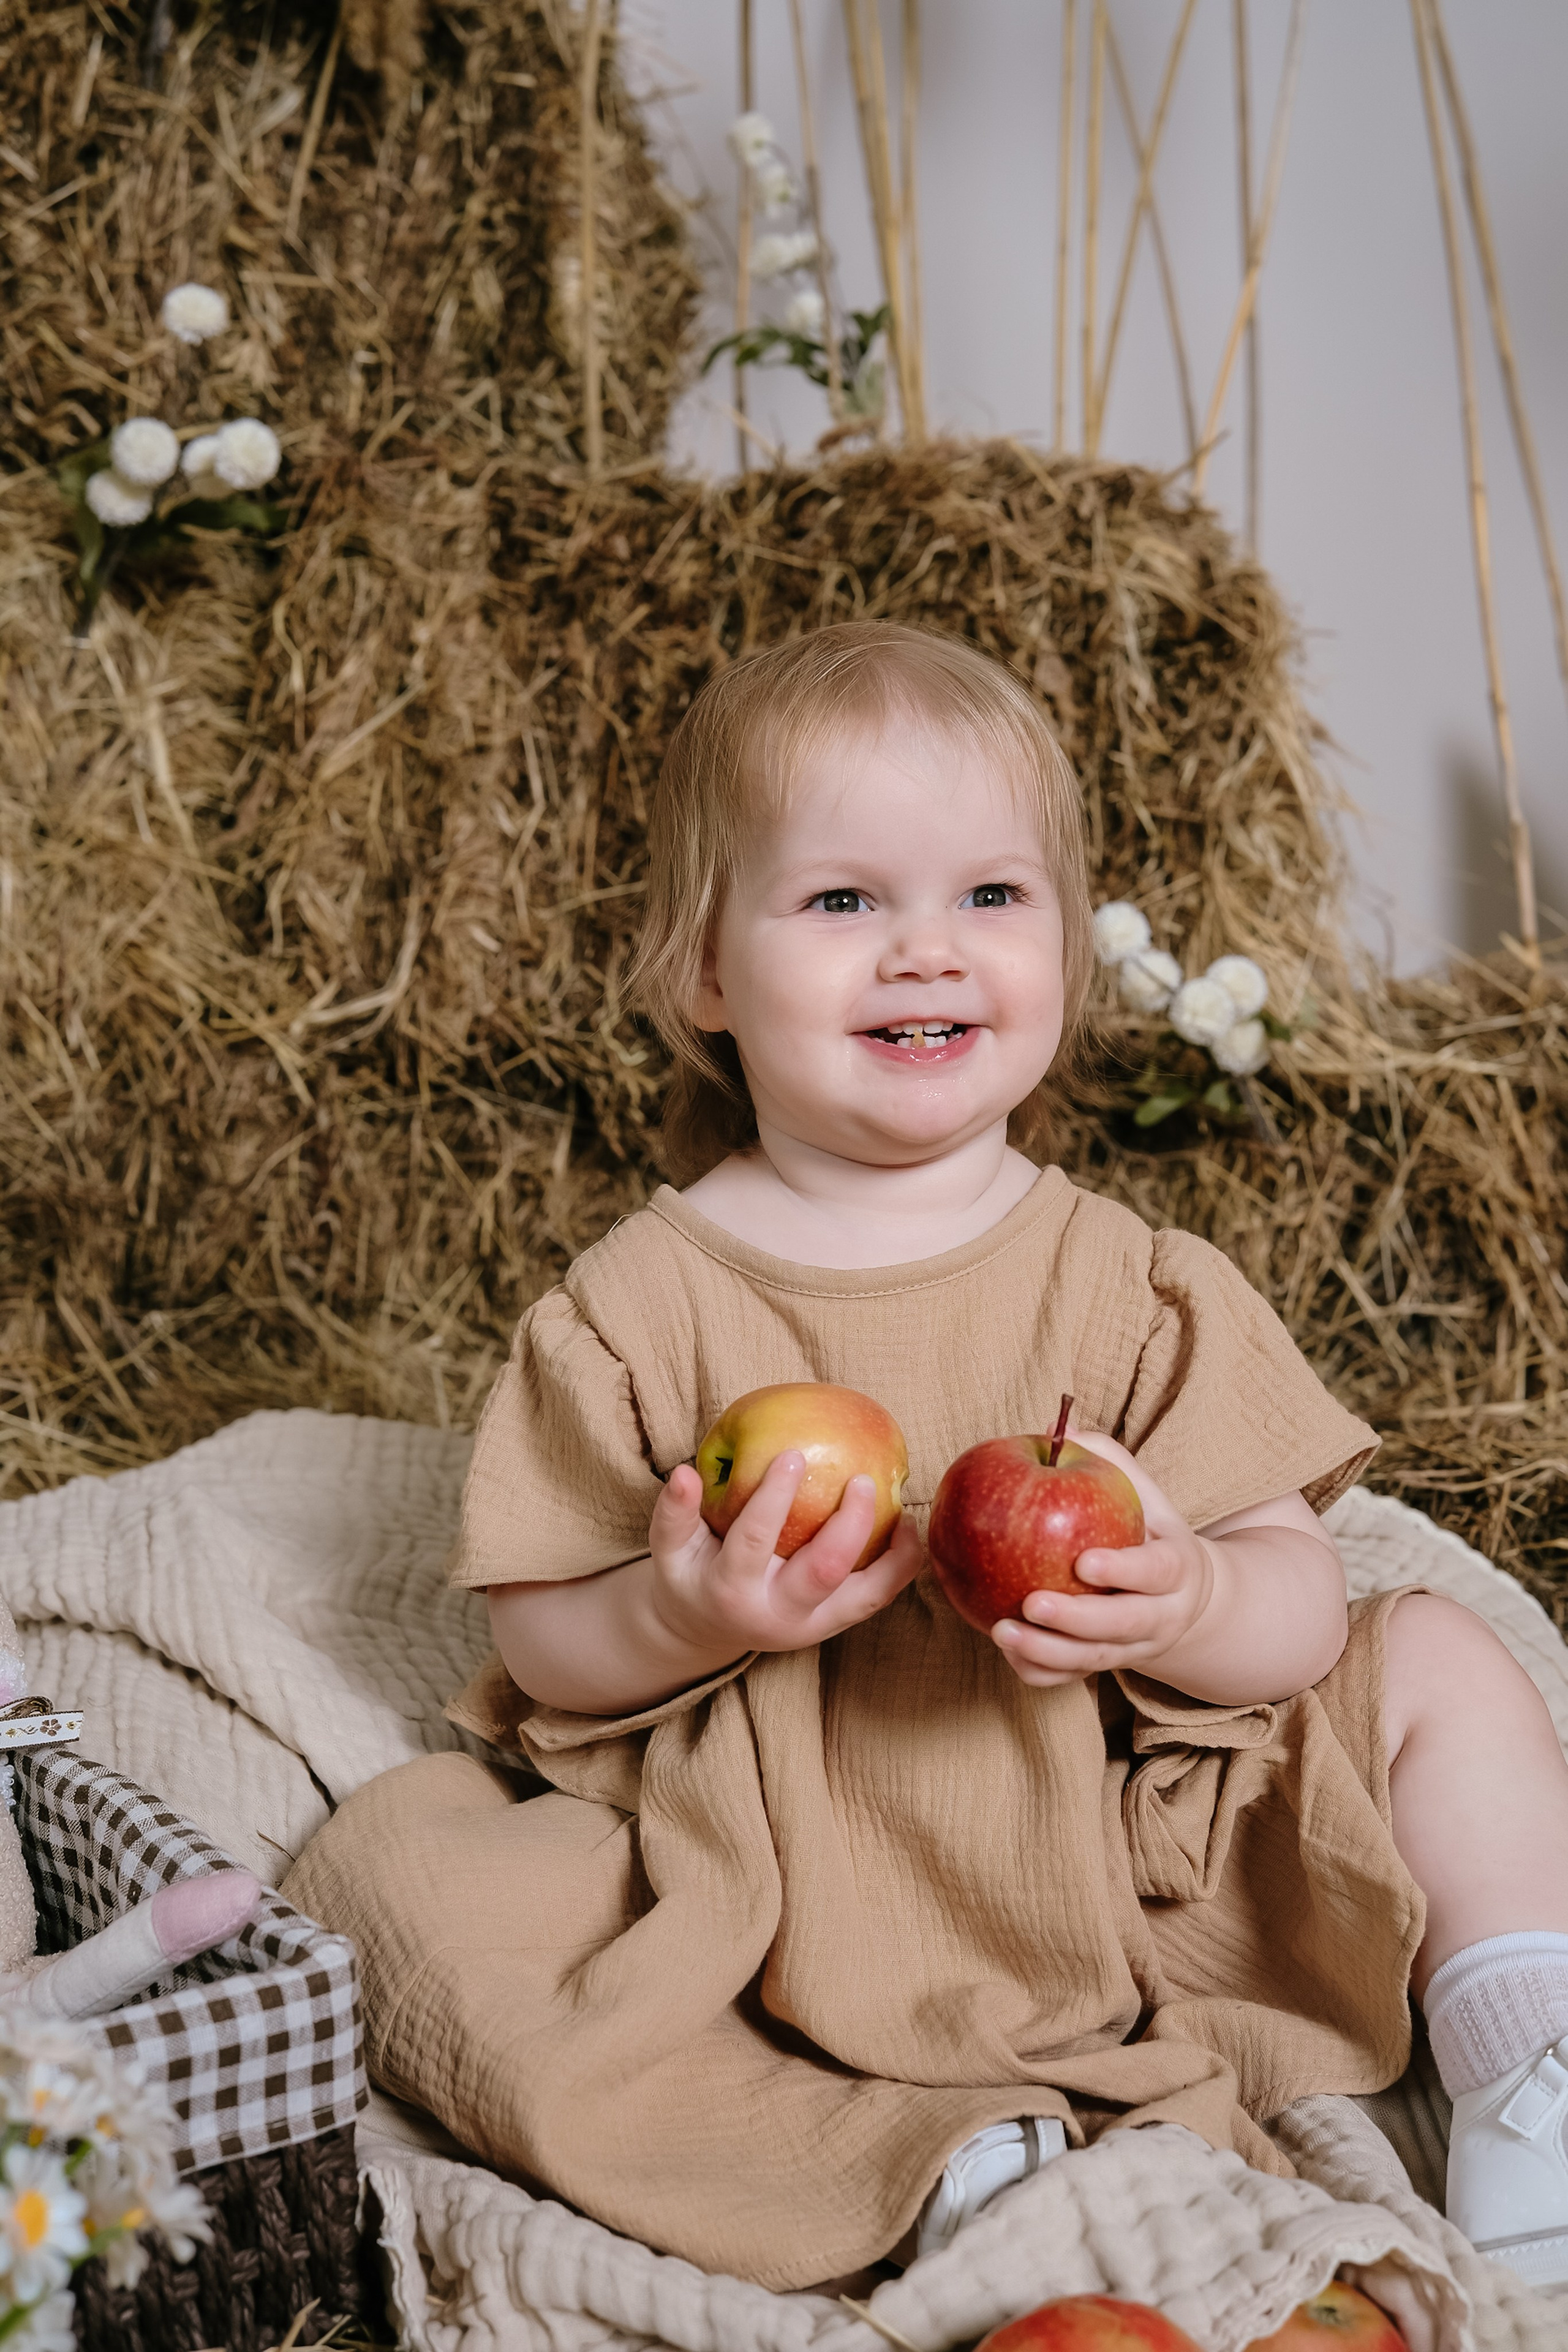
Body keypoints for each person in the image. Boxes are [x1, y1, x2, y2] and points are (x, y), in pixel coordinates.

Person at [285, 622, 1568, 2296]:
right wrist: (687, 1612)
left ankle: (1529, 2078)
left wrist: (1181, 1597)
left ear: (1063, 949)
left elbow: (1298, 1610)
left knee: (1446, 1663)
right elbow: (540, 1635)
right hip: (774, 1877)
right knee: (391, 1881)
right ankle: (929, 2163)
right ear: (700, 973)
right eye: (841, 903)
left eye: (991, 898)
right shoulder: (632, 1309)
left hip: (1128, 1842)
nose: (924, 954)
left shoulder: (1136, 1279)